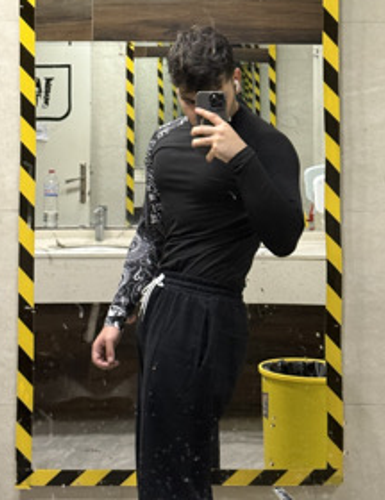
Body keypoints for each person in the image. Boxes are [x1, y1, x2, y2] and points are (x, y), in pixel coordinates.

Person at [92, 26, 304, 500]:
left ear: (235, 80)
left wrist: (240, 158)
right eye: (187, 101)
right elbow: (151, 233)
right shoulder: (164, 142)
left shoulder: (268, 147)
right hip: (164, 308)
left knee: (177, 470)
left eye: (210, 97)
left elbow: (285, 238)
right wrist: (116, 315)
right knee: (166, 465)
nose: (197, 112)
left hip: (213, 311)